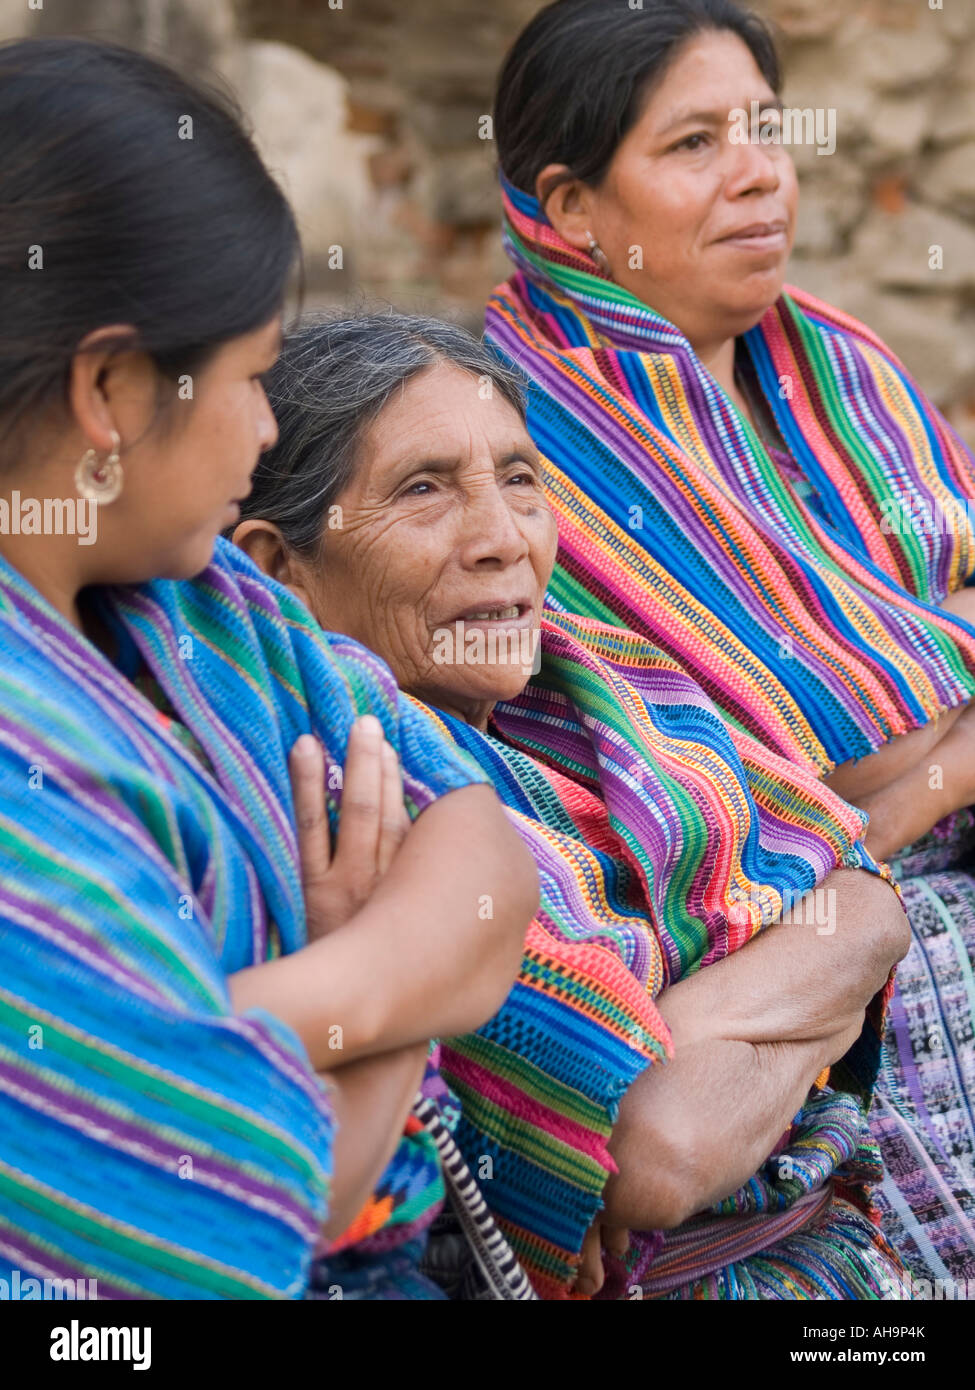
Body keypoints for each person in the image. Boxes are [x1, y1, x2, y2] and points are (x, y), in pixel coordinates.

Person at [0, 37, 540, 1302]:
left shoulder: (206, 602)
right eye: (251, 378)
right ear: (111, 390)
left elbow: (483, 845)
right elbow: (219, 1227)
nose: (262, 426)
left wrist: (264, 1017)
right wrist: (404, 1007)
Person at [232, 311, 917, 1300]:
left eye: (519, 480)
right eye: (423, 490)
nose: (503, 539)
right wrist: (820, 984)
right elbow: (658, 1156)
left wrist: (728, 1016)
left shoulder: (601, 699)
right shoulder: (355, 807)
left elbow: (869, 901)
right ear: (276, 565)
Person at [486, 0, 975, 1283]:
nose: (760, 171)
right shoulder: (525, 442)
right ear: (573, 208)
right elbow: (765, 793)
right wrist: (949, 759)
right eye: (696, 143)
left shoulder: (836, 370)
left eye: (763, 129)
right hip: (753, 934)